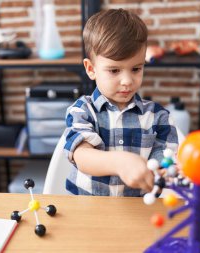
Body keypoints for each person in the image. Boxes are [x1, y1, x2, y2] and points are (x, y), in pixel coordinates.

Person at [63, 8, 179, 196]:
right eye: (114, 70)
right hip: (86, 209)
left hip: (137, 211)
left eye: (135, 69)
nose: (127, 80)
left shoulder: (159, 117)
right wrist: (120, 162)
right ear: (91, 69)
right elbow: (82, 156)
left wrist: (168, 173)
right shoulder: (82, 111)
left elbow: (166, 165)